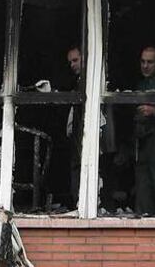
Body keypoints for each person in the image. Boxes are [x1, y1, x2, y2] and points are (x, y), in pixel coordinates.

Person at [134, 46, 155, 215]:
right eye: (142, 62)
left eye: (150, 62)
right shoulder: (141, 84)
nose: (145, 66)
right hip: (143, 141)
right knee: (143, 185)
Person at [66, 46, 83, 206]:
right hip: (78, 134)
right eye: (70, 62)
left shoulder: (91, 80)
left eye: (75, 60)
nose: (72, 65)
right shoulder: (78, 82)